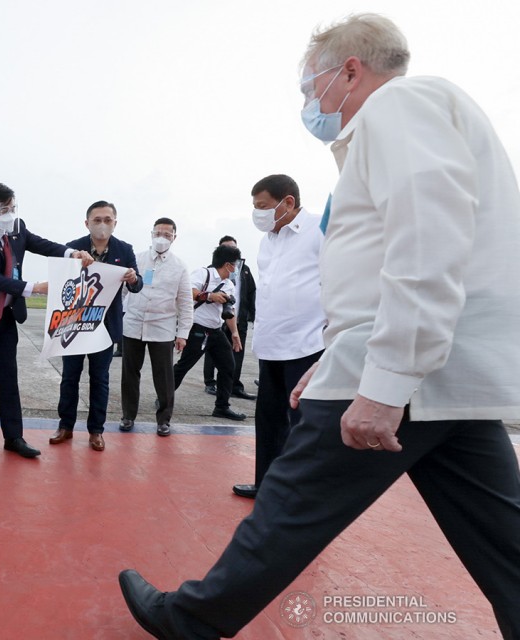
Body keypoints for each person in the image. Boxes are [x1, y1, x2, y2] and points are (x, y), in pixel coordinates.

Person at [119, 14, 520, 639]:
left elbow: (426, 244)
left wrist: (384, 381)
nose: (311, 102)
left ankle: (190, 619)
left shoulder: (399, 108)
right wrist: (337, 358)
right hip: (441, 372)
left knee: (291, 504)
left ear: (350, 71)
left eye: (311, 86)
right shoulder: (420, 119)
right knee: (506, 542)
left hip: (401, 367)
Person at [0, 182, 94, 459]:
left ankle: (14, 437)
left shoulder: (17, 228)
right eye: (4, 210)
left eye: (13, 207)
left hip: (5, 317)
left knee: (9, 377)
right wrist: (35, 288)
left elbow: (42, 244)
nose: (10, 214)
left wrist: (71, 253)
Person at [231, 174, 325, 499]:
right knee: (269, 421)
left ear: (288, 202)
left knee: (304, 424)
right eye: (255, 207)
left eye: (263, 206)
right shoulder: (266, 241)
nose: (258, 214)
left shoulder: (320, 228)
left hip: (307, 343)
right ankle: (267, 485)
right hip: (271, 343)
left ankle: (302, 494)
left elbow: (338, 279)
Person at [49, 201, 142, 451]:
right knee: (69, 377)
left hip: (105, 326)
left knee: (100, 379)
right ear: (87, 223)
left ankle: (96, 430)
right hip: (75, 325)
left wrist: (133, 279)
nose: (102, 224)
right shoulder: (73, 247)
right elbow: (62, 282)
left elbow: (137, 285)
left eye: (107, 220)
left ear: (115, 223)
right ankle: (65, 426)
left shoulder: (124, 249)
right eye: (97, 220)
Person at [120, 218, 193, 437]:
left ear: (174, 238)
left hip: (162, 328)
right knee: (129, 374)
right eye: (158, 233)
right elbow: (122, 291)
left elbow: (185, 303)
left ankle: (164, 420)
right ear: (151, 234)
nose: (162, 238)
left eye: (167, 235)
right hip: (133, 324)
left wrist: (183, 334)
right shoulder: (136, 259)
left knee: (164, 377)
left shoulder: (180, 266)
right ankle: (128, 415)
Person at [172, 244, 246, 422]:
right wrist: (209, 296)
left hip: (216, 331)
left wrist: (234, 333)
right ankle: (165, 396)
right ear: (228, 265)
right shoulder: (203, 273)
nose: (236, 268)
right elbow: (187, 292)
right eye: (236, 264)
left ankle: (222, 407)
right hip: (197, 329)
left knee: (228, 366)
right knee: (184, 366)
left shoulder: (229, 284)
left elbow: (230, 311)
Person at [203, 236, 256, 400]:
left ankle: (234, 385)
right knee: (212, 352)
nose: (231, 251)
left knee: (237, 353)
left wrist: (253, 315)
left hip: (238, 318)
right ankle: (210, 382)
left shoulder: (244, 269)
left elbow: (251, 292)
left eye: (234, 248)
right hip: (217, 320)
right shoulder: (211, 270)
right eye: (227, 248)